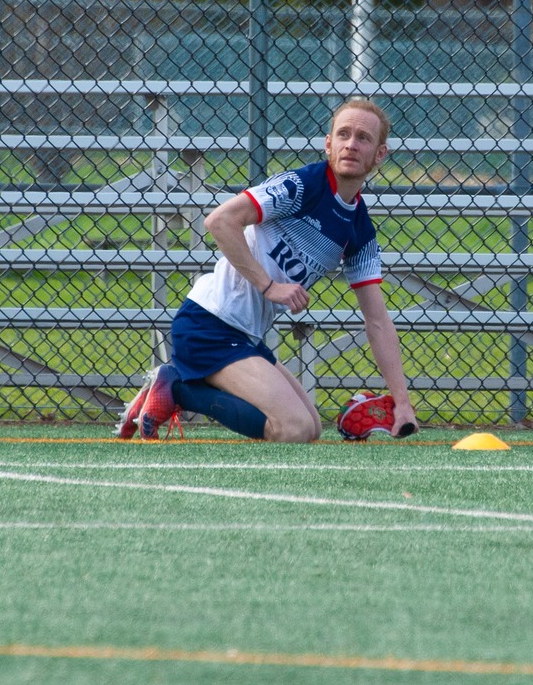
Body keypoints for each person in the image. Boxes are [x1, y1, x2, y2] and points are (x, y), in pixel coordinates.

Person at [116, 98, 418, 443]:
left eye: (363, 138)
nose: (351, 144)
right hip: (209, 323)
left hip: (244, 336)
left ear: (379, 154)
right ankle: (177, 386)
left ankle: (181, 384)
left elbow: (377, 321)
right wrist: (268, 286)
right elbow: (220, 221)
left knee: (313, 429)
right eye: (343, 134)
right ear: (328, 143)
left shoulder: (359, 231)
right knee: (294, 430)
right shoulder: (301, 186)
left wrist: (403, 403)